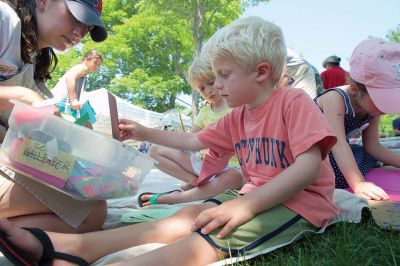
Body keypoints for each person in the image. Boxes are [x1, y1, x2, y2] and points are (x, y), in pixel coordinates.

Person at [0, 17, 339, 266]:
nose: (216, 85)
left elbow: (309, 167)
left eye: (224, 75)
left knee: (210, 238)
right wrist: (143, 133)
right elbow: (193, 140)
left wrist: (245, 205)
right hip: (251, 195)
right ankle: (76, 249)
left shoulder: (292, 102)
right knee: (187, 215)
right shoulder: (239, 116)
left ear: (261, 72)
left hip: (300, 204)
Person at [0, 0, 108, 233]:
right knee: (86, 209)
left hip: (9, 153)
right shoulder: (4, 19)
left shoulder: (33, 58)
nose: (80, 32)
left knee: (94, 202)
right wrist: (23, 96)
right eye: (76, 17)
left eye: (87, 27)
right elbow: (27, 100)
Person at [143, 56, 243, 206]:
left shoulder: (236, 105)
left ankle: (182, 197)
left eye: (211, 82)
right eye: (202, 88)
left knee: (236, 177)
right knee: (154, 151)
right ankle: (195, 183)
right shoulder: (204, 112)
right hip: (203, 165)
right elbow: (190, 140)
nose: (208, 90)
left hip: (230, 167)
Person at [314, 39, 400, 201]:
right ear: (355, 89)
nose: (384, 108)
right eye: (380, 99)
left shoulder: (373, 107)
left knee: (366, 154)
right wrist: (358, 183)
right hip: (314, 150)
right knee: (331, 171)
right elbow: (337, 143)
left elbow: (373, 146)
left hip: (339, 150)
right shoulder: (335, 98)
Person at [51, 50, 103, 118]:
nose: (97, 66)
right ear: (87, 59)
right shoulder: (82, 67)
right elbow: (70, 78)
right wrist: (73, 100)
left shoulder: (84, 73)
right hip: (59, 101)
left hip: (61, 102)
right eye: (95, 63)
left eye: (99, 65)